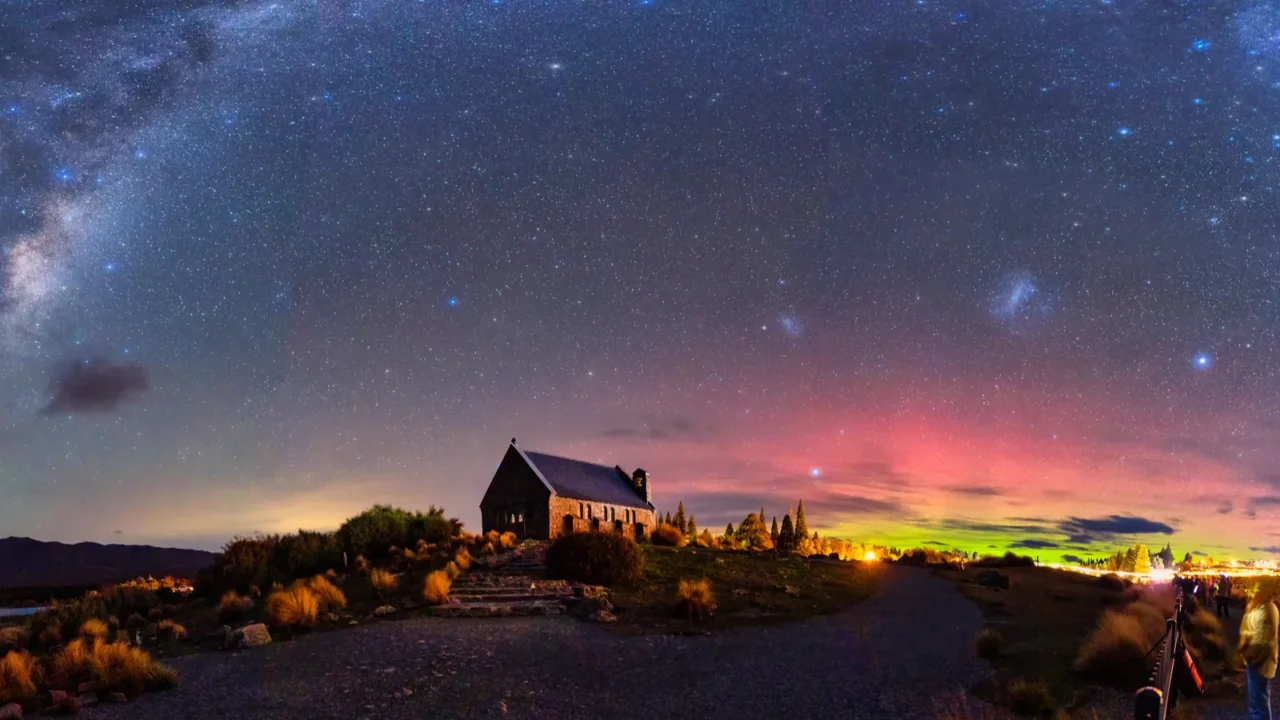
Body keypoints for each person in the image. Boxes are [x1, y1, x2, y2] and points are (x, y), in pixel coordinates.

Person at [1240, 579, 1280, 720]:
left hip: (1260, 662)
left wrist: (1250, 655)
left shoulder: (1268, 608)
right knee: (1256, 700)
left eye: (1256, 590)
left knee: (1260, 701)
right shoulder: (1260, 606)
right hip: (1255, 660)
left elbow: (1264, 639)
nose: (1252, 592)